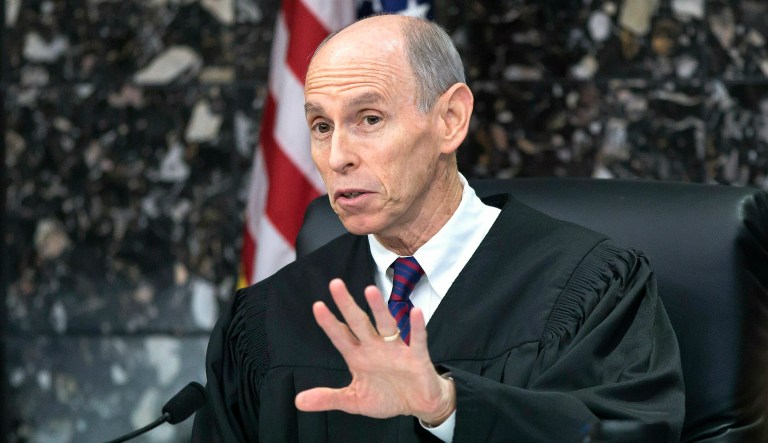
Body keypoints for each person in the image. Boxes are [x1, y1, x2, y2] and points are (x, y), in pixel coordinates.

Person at [199, 14, 685, 442]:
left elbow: (625, 434)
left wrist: (450, 408)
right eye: (321, 126)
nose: (338, 156)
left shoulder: (591, 289)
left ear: (450, 120)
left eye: (369, 118)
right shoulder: (270, 318)